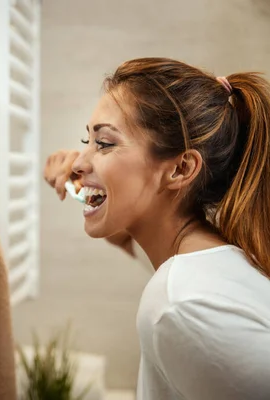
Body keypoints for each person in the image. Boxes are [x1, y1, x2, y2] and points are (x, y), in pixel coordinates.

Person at [43, 58, 270, 400]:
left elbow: (179, 307)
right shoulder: (216, 259)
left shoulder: (180, 306)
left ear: (180, 169)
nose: (77, 161)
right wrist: (91, 191)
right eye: (86, 140)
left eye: (104, 143)